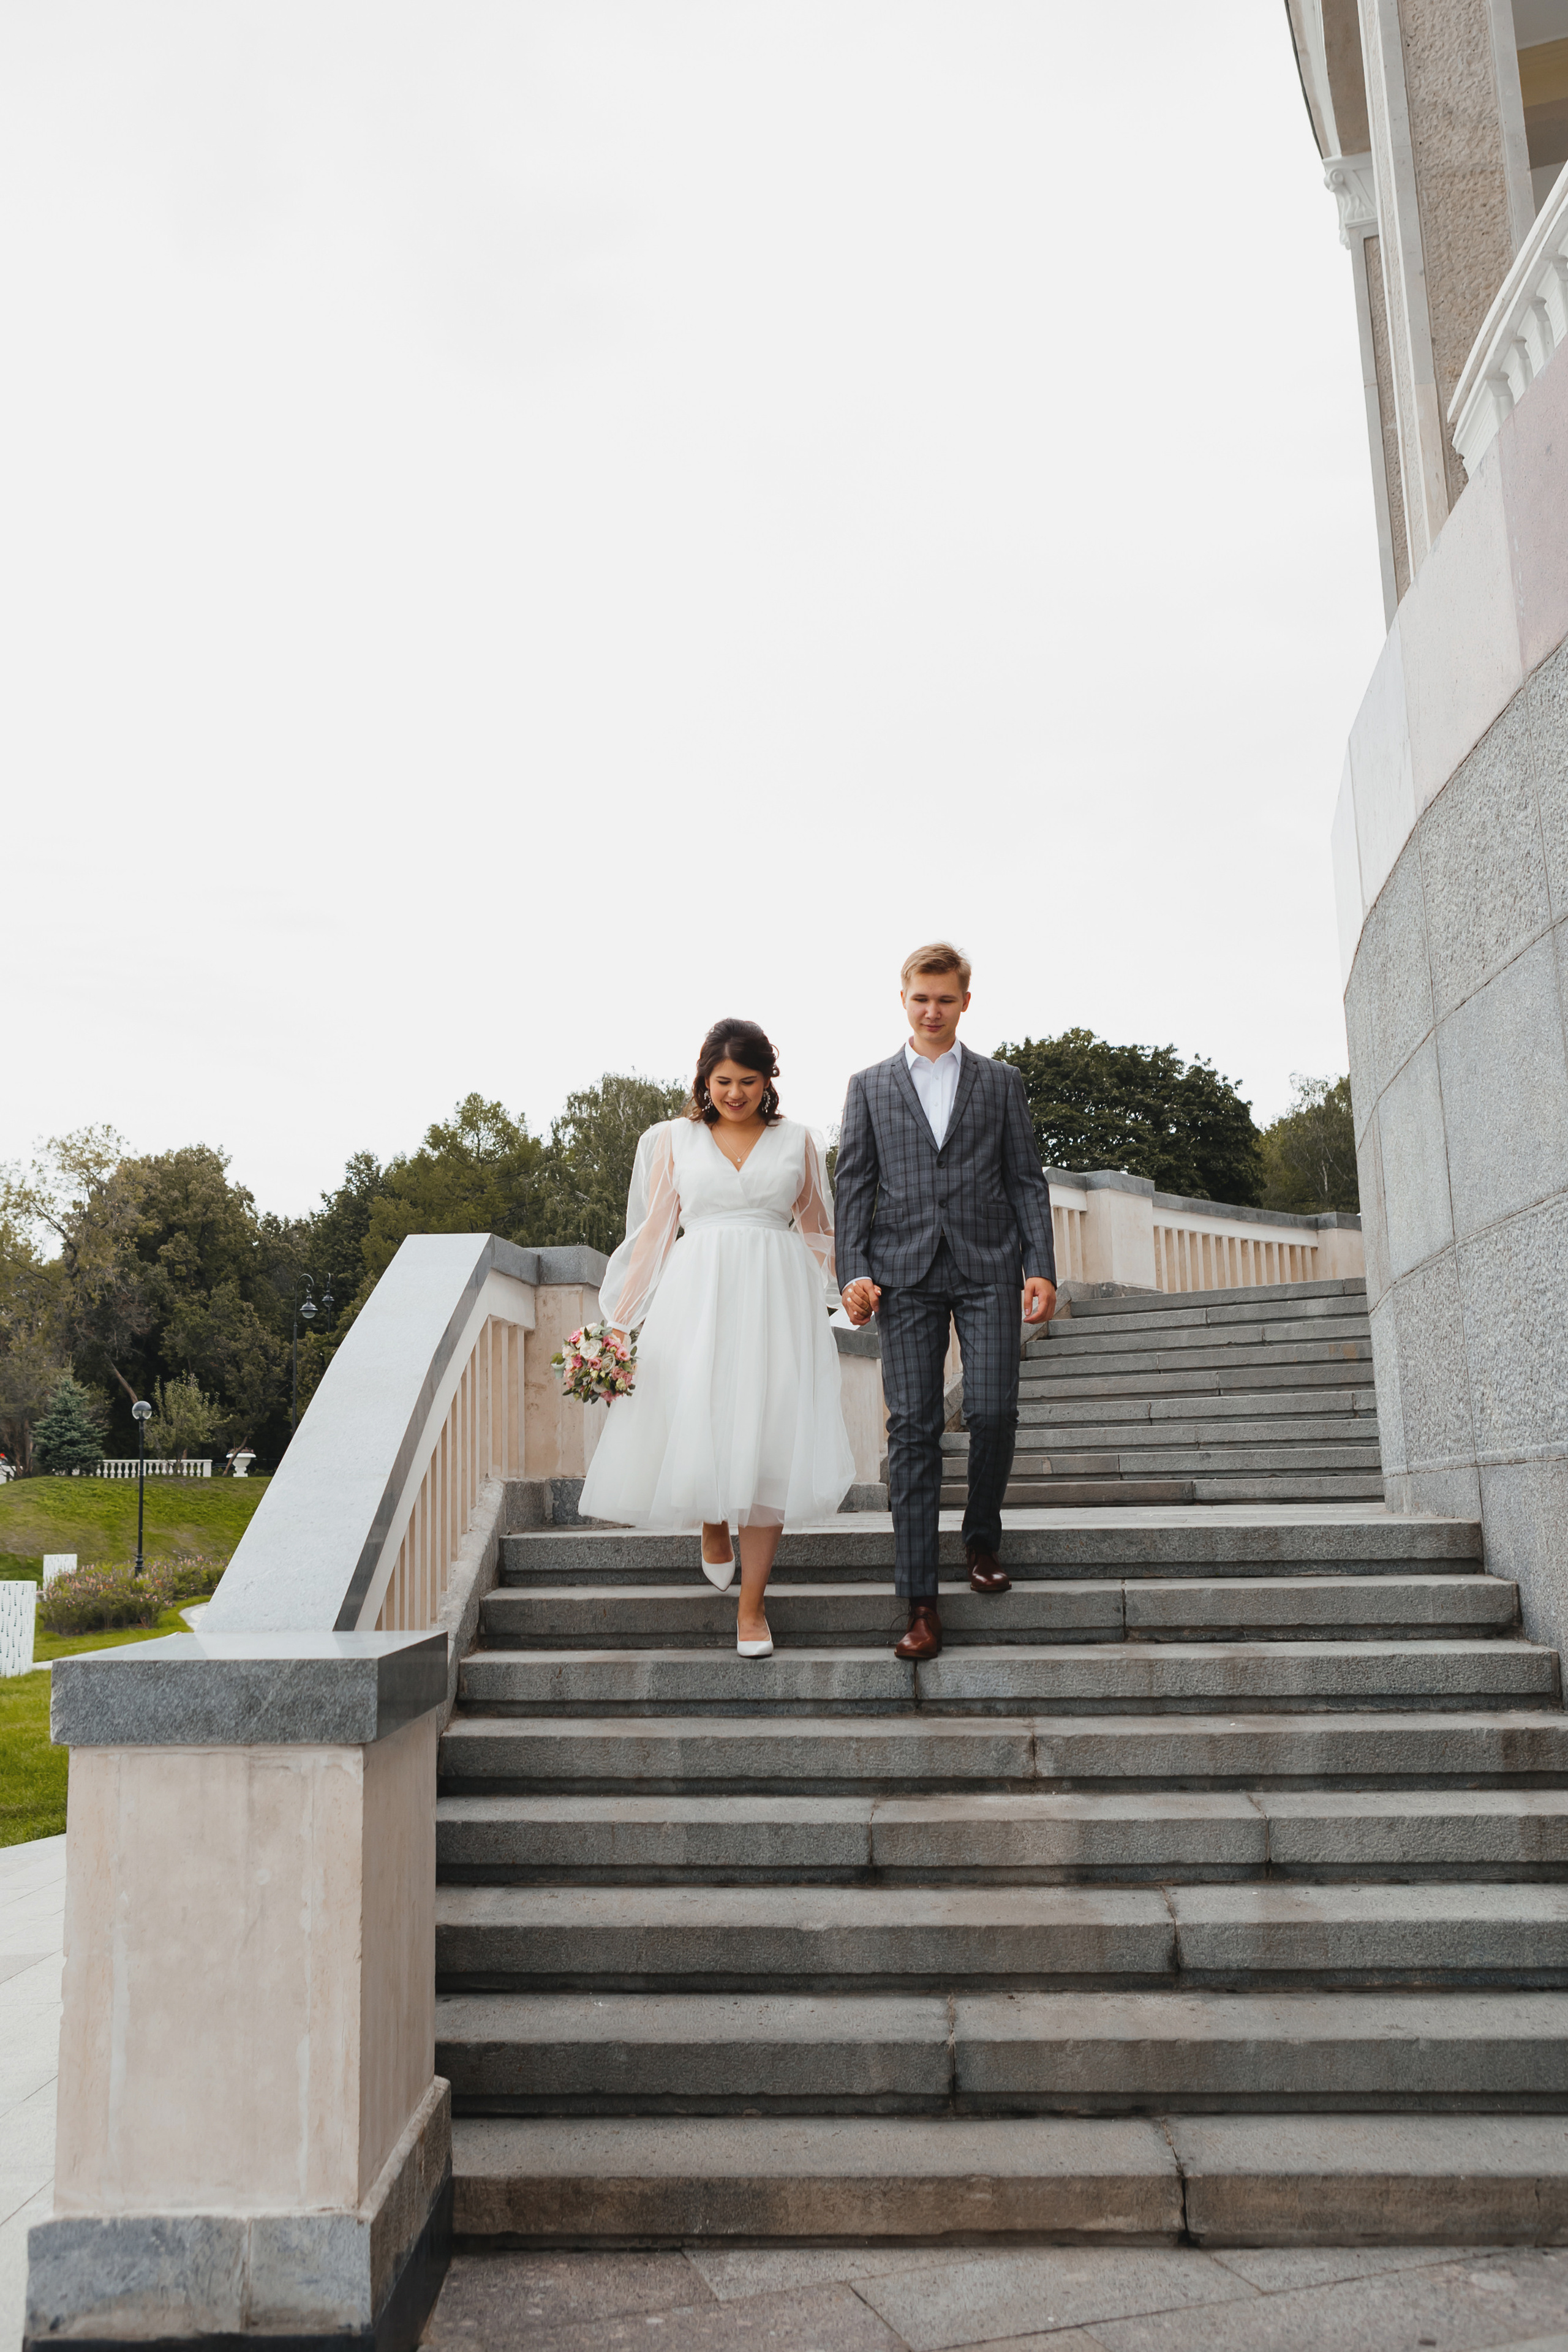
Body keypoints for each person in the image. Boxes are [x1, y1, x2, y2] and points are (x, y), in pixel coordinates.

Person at [578, 1017, 856, 1657]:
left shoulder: (798, 1141)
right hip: (696, 1294)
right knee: (700, 1410)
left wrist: (851, 1288)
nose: (735, 1093)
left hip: (776, 1299)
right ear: (704, 1079)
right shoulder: (672, 1139)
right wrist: (618, 1321)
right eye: (723, 1081)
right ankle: (711, 1521)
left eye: (748, 1081)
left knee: (770, 1438)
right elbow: (654, 1235)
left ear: (768, 1081)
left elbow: (819, 1230)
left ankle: (752, 1608)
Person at [834, 942, 1057, 1659]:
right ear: (903, 1000)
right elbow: (853, 1185)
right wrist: (852, 1271)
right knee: (913, 1430)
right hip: (902, 1273)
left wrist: (1040, 1266)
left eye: (945, 999)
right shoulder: (868, 1086)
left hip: (988, 1264)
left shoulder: (1000, 1082)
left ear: (965, 1001)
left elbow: (1025, 1178)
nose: (932, 1011)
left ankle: (981, 1539)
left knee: (991, 1411)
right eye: (920, 999)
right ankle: (921, 1602)